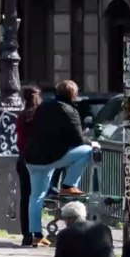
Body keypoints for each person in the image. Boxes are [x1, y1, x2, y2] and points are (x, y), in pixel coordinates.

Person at [24, 80, 98, 247]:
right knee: (87, 151)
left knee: (36, 197)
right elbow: (79, 139)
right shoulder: (70, 110)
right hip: (51, 158)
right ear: (73, 94)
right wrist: (92, 143)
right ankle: (69, 183)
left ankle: (36, 235)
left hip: (33, 157)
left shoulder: (44, 106)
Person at [15, 85, 42, 246]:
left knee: (25, 198)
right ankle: (37, 232)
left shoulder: (22, 117)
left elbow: (19, 142)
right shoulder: (42, 117)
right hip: (39, 160)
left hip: (23, 159)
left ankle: (26, 234)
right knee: (37, 197)